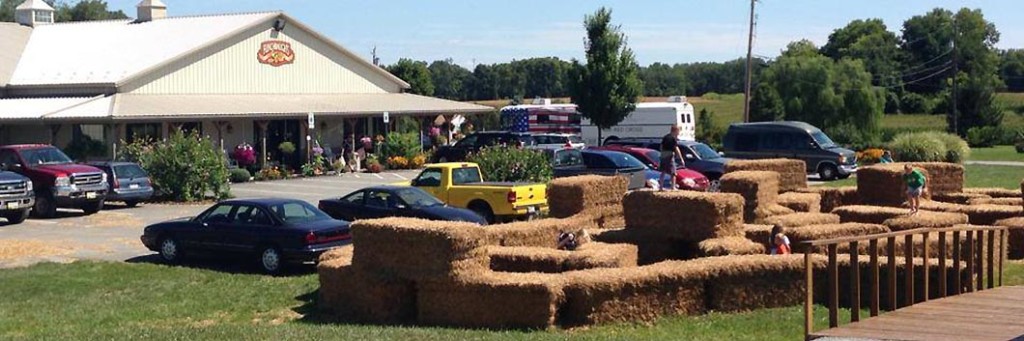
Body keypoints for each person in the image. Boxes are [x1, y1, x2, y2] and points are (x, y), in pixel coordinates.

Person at [659, 125, 685, 191]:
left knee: (663, 171)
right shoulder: (673, 138)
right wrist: (681, 158)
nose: (678, 133)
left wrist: (662, 154)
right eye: (678, 131)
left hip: (663, 155)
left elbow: (661, 146)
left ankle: (661, 187)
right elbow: (676, 148)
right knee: (673, 171)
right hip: (670, 155)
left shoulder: (665, 137)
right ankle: (673, 187)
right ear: (675, 130)